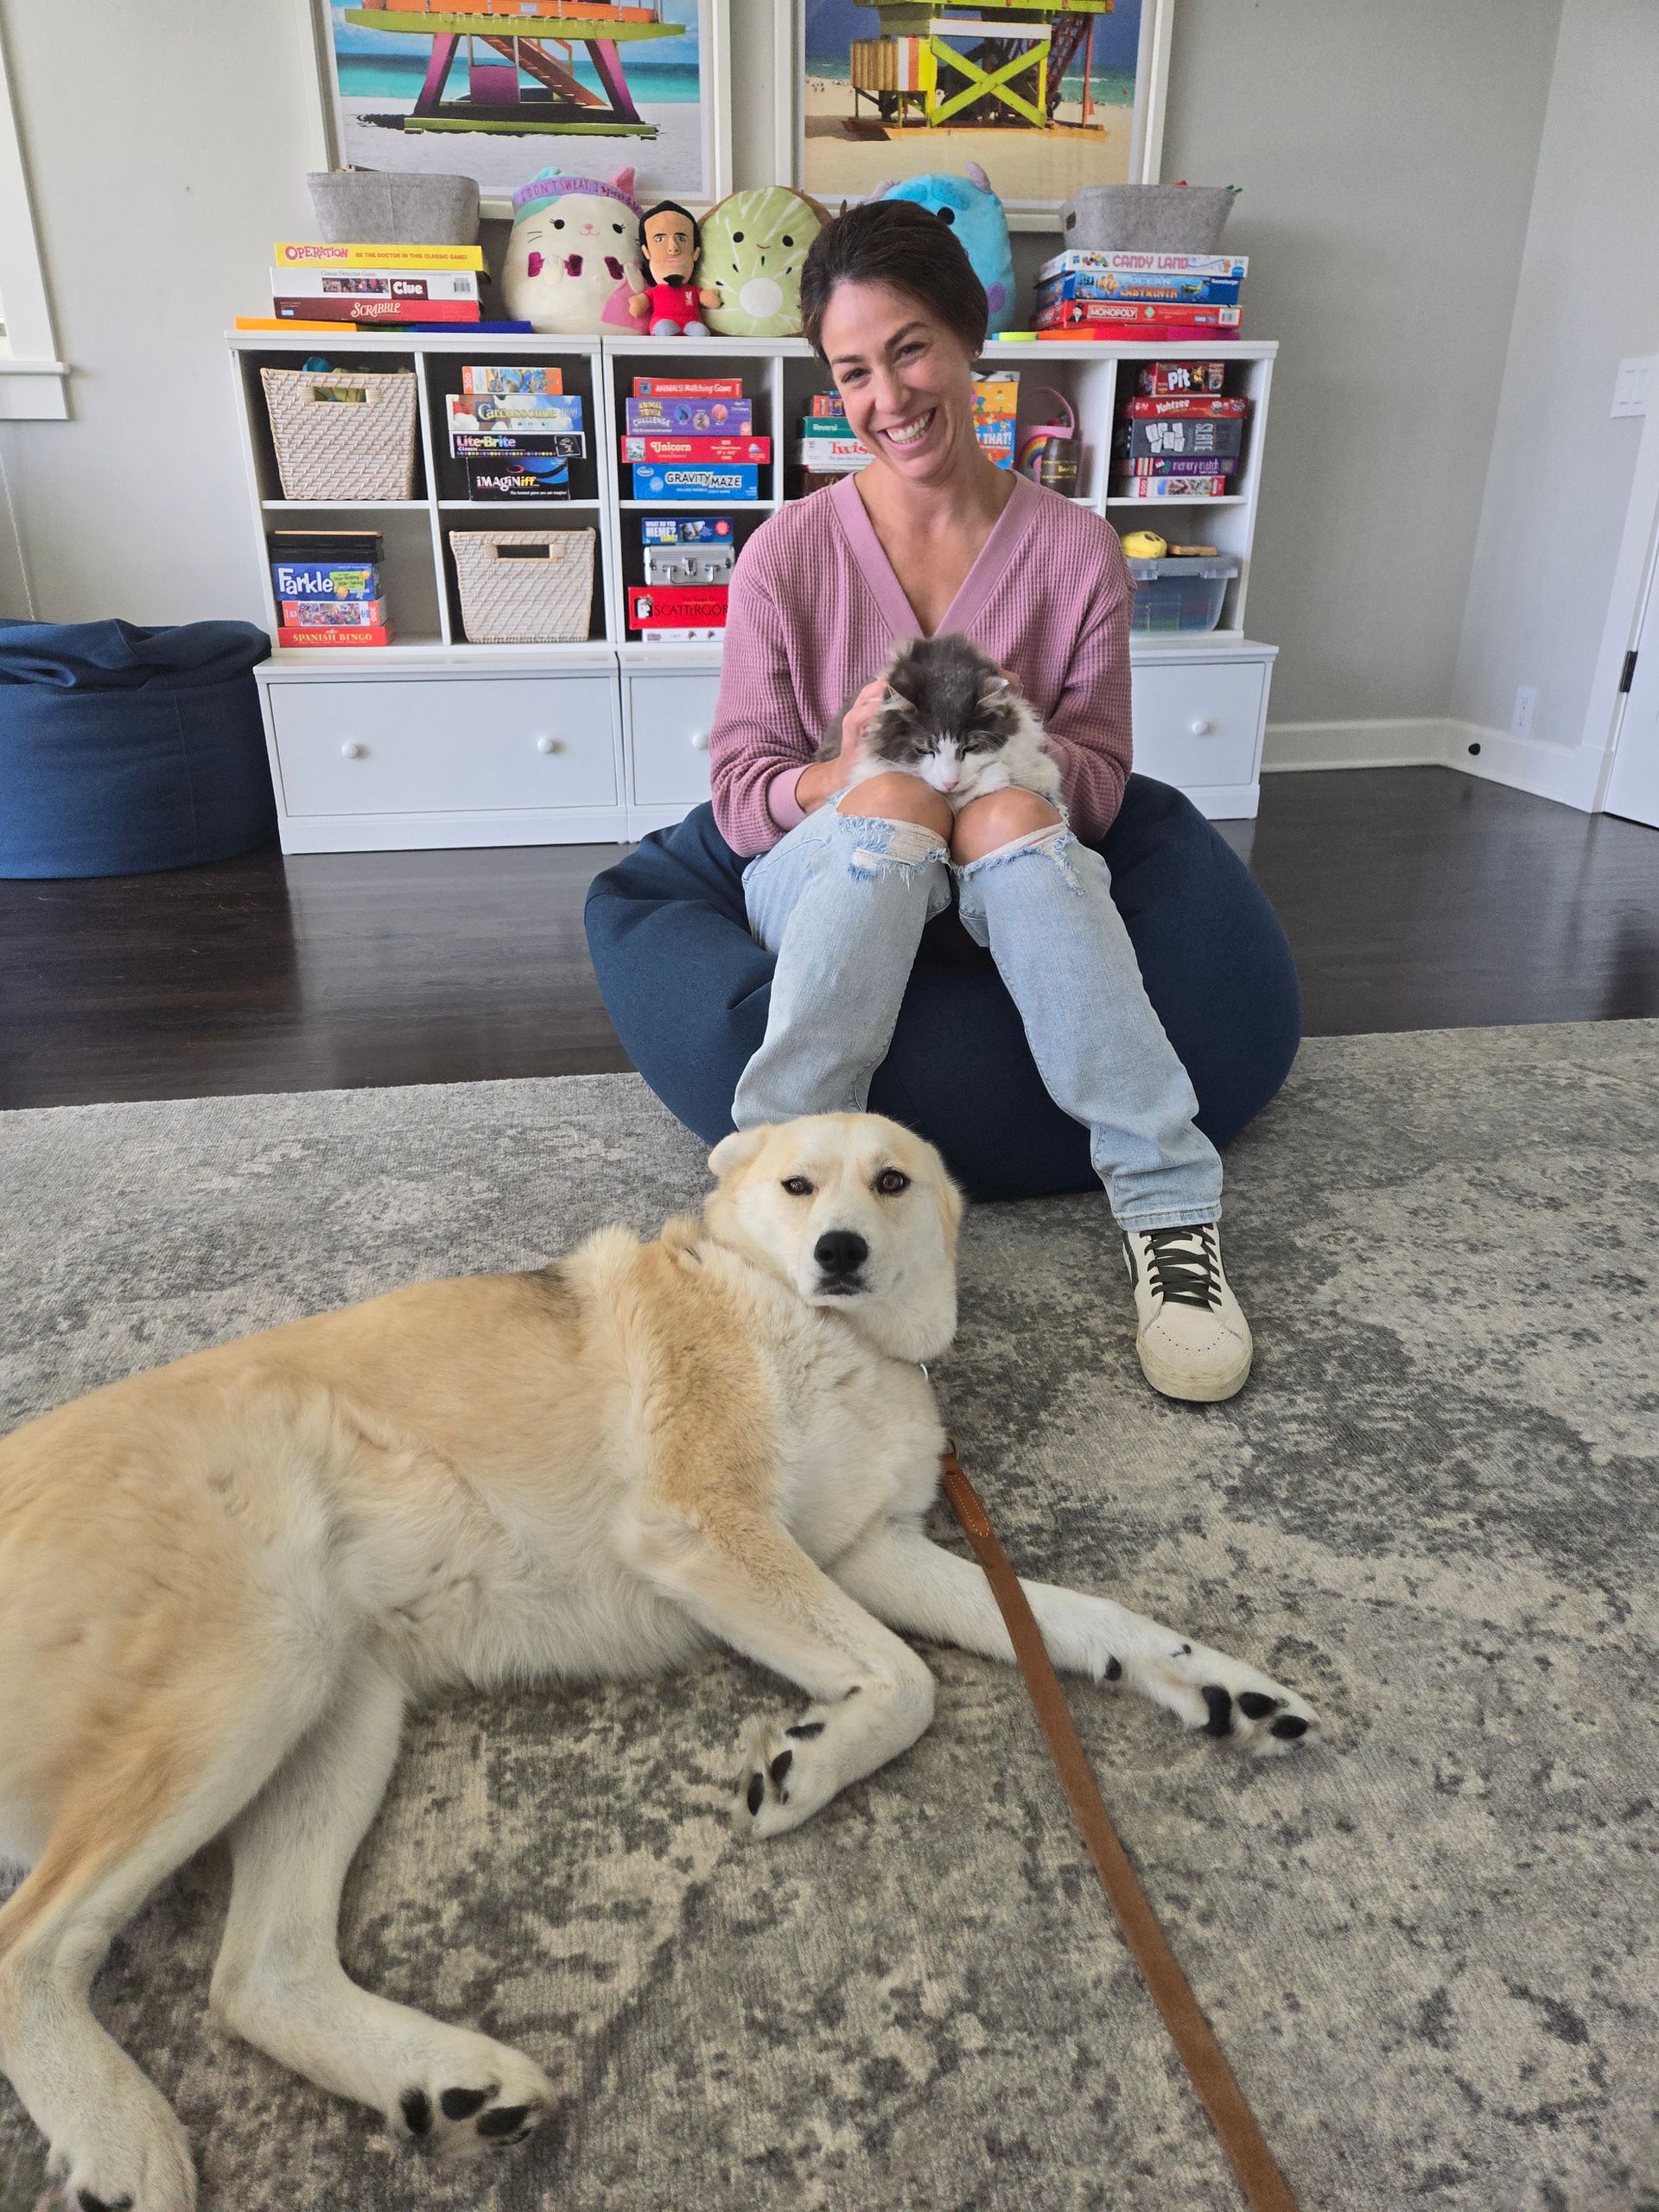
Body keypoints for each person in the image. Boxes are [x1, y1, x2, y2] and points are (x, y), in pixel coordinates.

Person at [707, 200, 1253, 1403]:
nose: (887, 397)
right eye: (853, 371)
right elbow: (739, 800)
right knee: (902, 799)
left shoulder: (1076, 552)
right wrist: (850, 772)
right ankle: (770, 1197)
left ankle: (1169, 1212)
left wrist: (1015, 753)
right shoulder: (784, 557)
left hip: (1015, 866)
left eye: (909, 350)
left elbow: (1102, 786)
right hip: (838, 873)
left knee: (997, 812)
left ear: (969, 338)